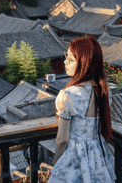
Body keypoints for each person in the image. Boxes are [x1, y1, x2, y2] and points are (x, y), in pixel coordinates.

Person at [49, 36, 114, 183]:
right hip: (97, 156)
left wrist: (56, 163)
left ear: (85, 64)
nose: (65, 62)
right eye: (66, 57)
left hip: (74, 157)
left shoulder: (68, 94)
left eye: (71, 60)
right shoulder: (103, 91)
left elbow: (62, 139)